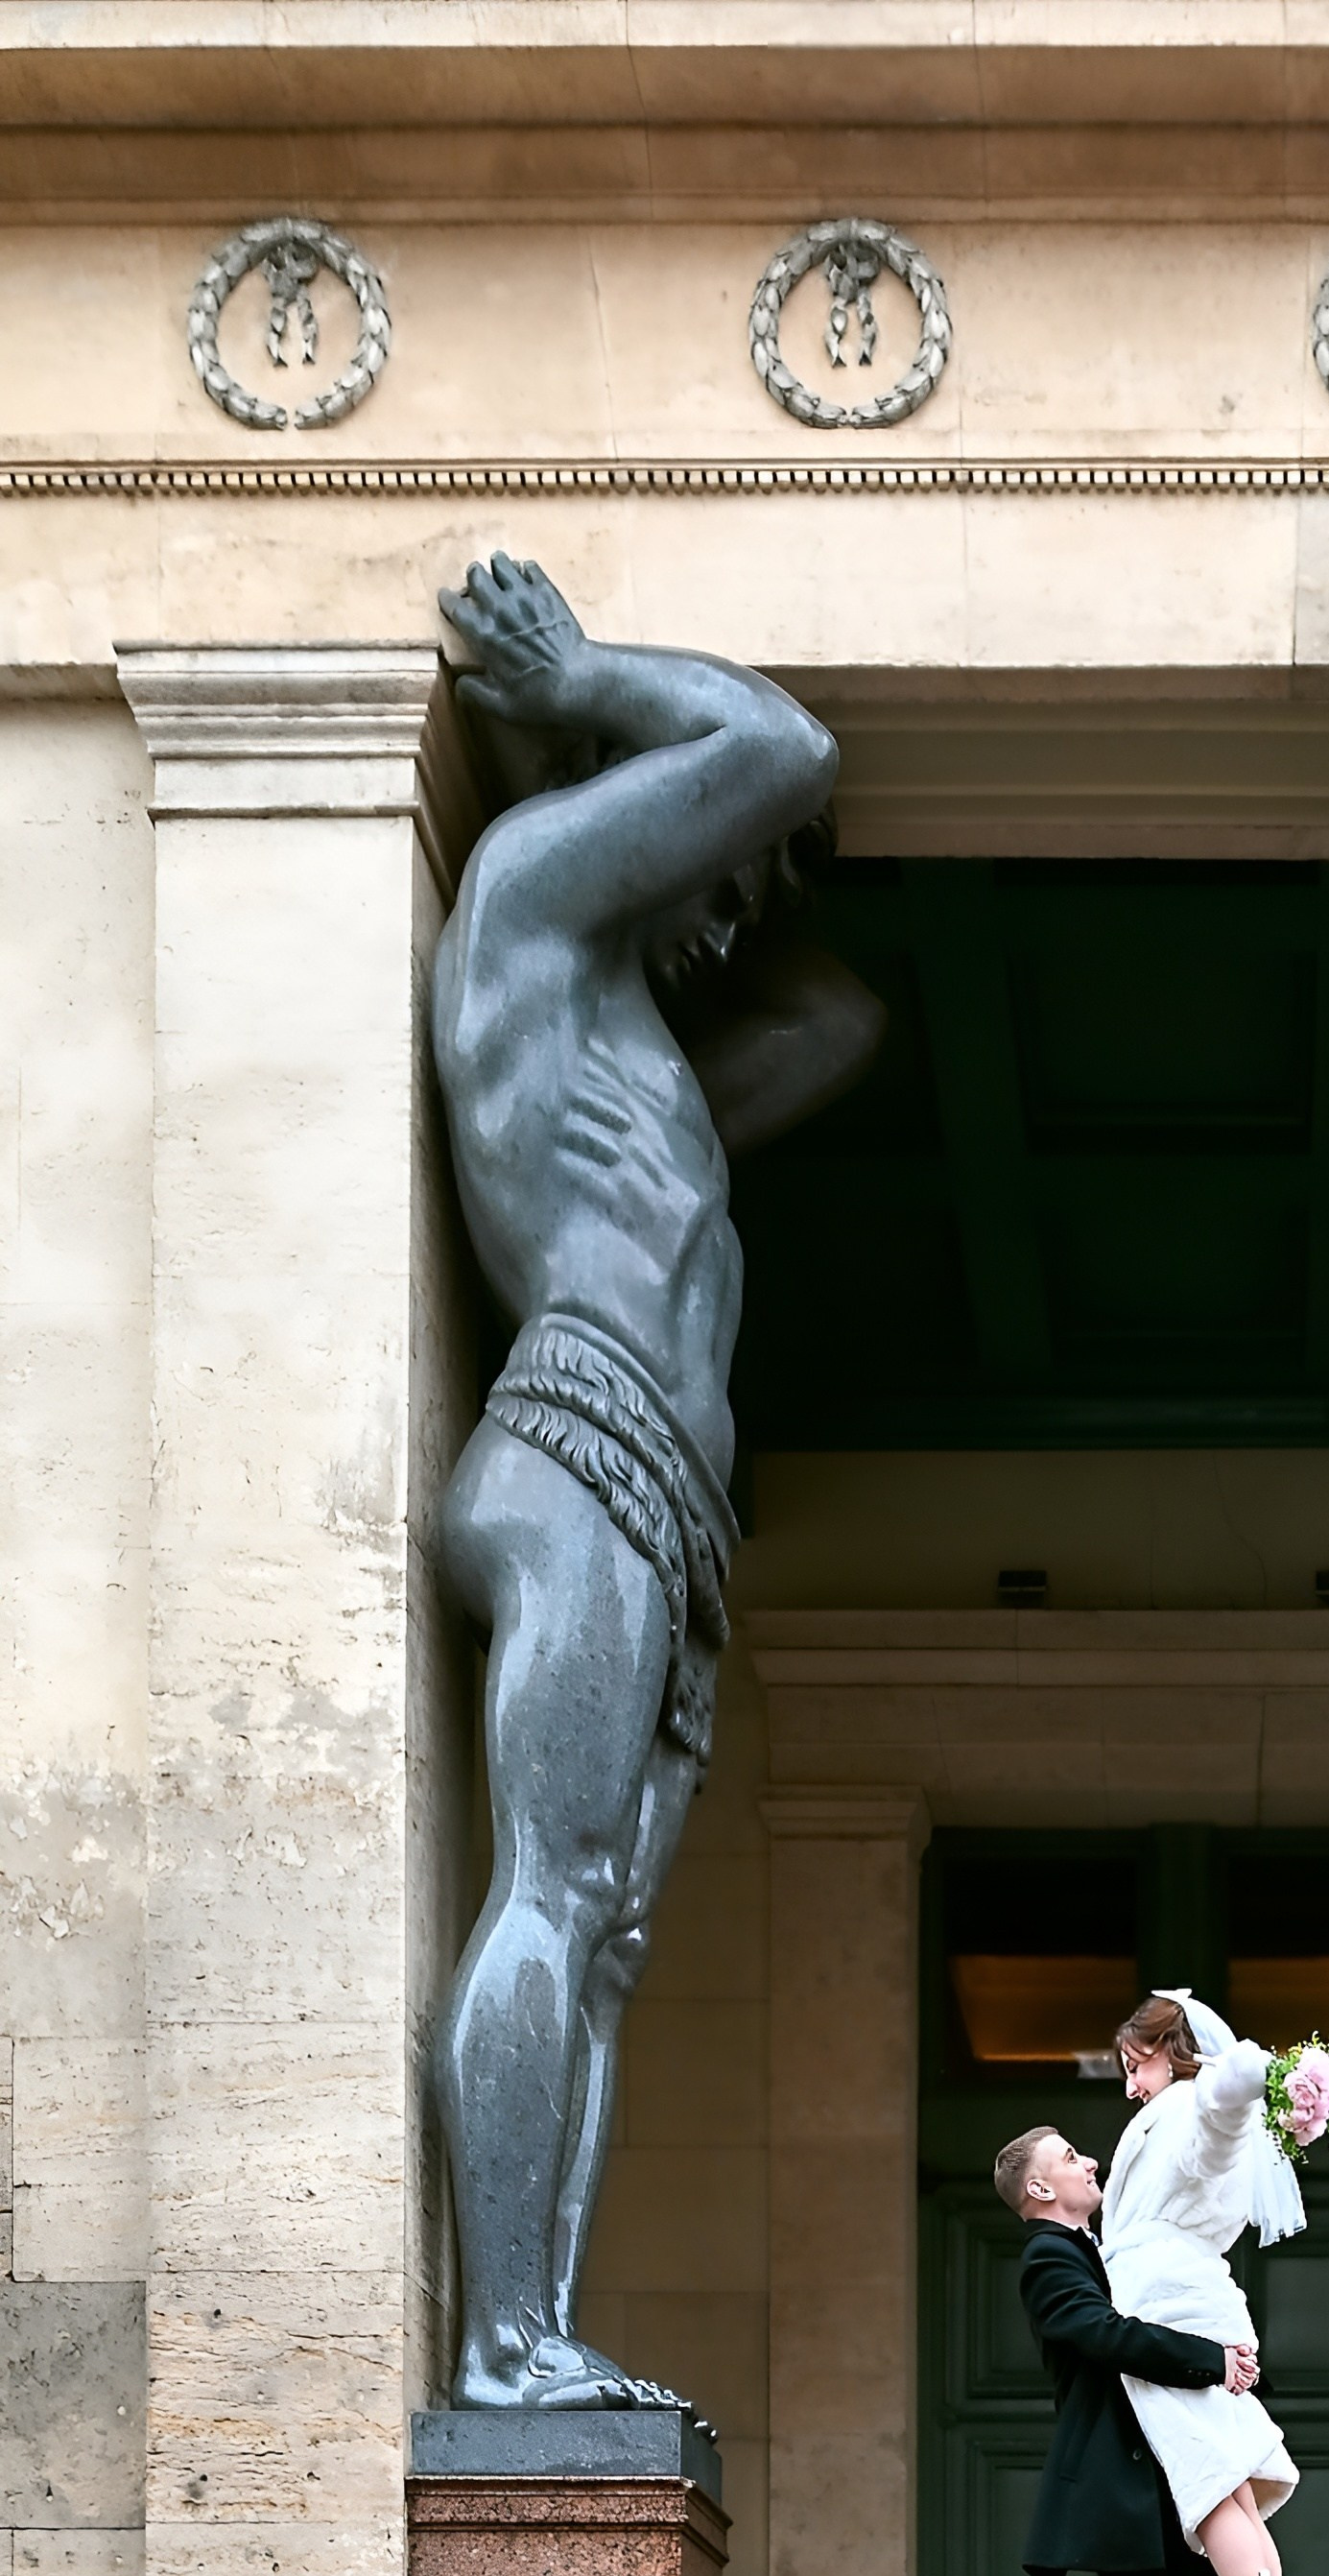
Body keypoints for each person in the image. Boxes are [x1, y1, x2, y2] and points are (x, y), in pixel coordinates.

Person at [428, 552, 885, 2411]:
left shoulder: (638, 1056)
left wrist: (707, 908)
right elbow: (771, 738)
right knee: (549, 1889)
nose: (736, 900)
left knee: (601, 1927)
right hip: (578, 1445)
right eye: (703, 864)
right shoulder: (526, 906)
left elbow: (833, 1020)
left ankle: (532, 2324)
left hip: (653, 1498)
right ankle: (500, 2341)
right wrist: (596, 679)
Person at [1000, 2122, 1265, 2576]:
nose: (1091, 2161)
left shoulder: (1107, 2245)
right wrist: (1210, 2359)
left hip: (1156, 2475)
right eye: (1069, 2158)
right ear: (1040, 2188)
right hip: (1115, 2478)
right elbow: (1107, 2333)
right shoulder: (1048, 2255)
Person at [1098, 1991, 1329, 2576]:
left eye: (1137, 2063)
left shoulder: (1199, 2102)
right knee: (1228, 2483)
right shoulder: (1184, 2109)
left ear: (1174, 2047)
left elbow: (1223, 2113)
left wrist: (1259, 2071)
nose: (1132, 2085)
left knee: (1204, 2488)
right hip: (1191, 2303)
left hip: (1170, 2310)